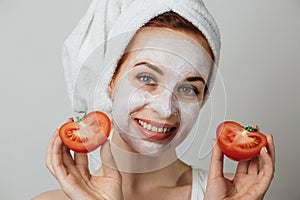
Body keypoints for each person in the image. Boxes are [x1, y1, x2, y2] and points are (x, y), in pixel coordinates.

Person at [33, 0, 275, 199]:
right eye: (147, 77)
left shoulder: (232, 195)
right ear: (110, 79)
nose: (165, 108)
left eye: (189, 89)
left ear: (203, 98)